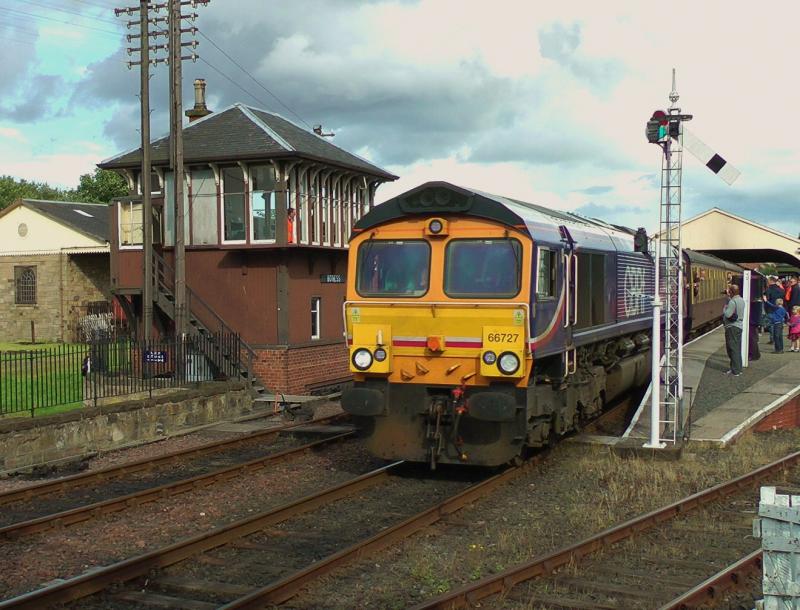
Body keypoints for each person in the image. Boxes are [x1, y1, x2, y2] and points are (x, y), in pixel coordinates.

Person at [723, 284, 745, 376]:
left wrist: (724, 309)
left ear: (731, 292)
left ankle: (735, 370)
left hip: (732, 327)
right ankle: (737, 369)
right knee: (737, 348)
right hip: (739, 326)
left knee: (732, 349)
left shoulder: (733, 301)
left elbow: (728, 314)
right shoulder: (741, 300)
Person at [749, 296, 763, 361]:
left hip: (752, 322)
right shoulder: (758, 302)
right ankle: (755, 354)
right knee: (753, 339)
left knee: (752, 339)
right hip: (754, 322)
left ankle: (753, 355)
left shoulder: (756, 303)